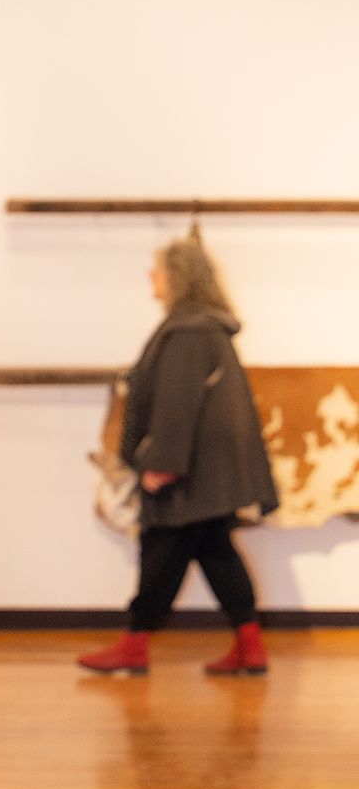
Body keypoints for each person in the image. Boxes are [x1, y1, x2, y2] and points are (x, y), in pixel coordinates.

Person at [78, 235, 278, 678]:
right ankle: (250, 646)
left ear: (178, 276)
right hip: (207, 472)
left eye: (159, 269)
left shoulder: (189, 331)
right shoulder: (203, 327)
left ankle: (134, 646)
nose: (151, 275)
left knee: (161, 551)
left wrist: (162, 464)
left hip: (187, 472)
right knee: (215, 550)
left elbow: (177, 403)